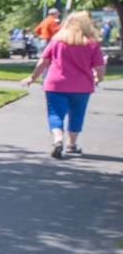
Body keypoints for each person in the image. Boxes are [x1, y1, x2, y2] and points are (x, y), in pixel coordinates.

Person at [20, 11, 105, 158]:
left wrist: (32, 77)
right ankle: (72, 145)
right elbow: (99, 67)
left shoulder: (57, 41)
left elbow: (43, 62)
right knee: (77, 114)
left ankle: (58, 140)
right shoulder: (92, 44)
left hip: (56, 84)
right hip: (82, 86)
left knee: (55, 113)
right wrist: (99, 78)